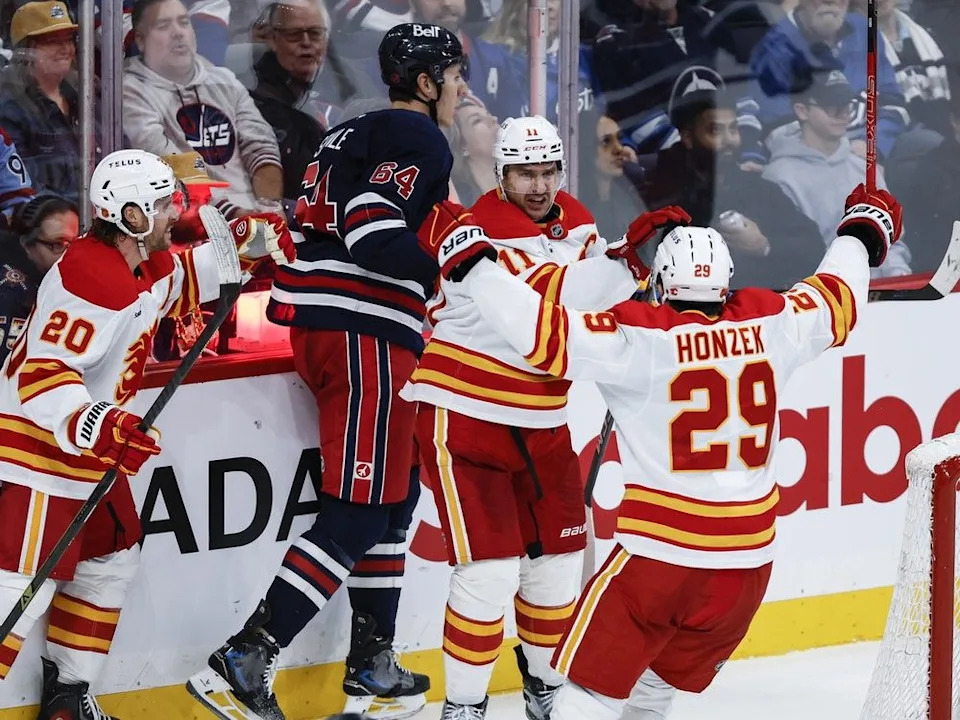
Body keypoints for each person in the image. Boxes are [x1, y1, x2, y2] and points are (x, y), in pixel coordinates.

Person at [416, 177, 902, 718]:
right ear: (727, 279)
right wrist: (861, 231)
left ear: (663, 281)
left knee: (586, 694)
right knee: (651, 687)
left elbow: (538, 332)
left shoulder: (640, 338)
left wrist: (474, 265)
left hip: (659, 560)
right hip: (746, 570)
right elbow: (838, 295)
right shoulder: (775, 324)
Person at [187, 22, 468, 720]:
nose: (462, 89)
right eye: (455, 76)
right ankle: (246, 655)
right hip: (362, 331)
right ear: (426, 83)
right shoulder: (421, 138)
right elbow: (374, 225)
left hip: (334, 326)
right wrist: (453, 275)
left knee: (396, 495)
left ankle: (373, 660)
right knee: (362, 508)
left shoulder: (349, 131)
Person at [403, 115, 683, 720]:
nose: (538, 185)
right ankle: (465, 708)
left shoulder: (575, 220)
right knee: (487, 575)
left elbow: (596, 301)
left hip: (542, 420)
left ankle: (542, 690)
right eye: (524, 172)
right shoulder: (474, 231)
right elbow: (550, 300)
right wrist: (626, 262)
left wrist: (643, 287)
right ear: (500, 174)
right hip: (464, 415)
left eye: (548, 170)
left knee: (557, 571)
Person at [0, 148, 294, 720]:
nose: (171, 214)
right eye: (160, 206)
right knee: (14, 587)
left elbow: (177, 279)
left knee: (111, 560)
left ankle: (68, 697)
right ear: (130, 215)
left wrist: (243, 249)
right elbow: (43, 374)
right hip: (39, 451)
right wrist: (99, 422)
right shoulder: (90, 278)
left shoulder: (138, 264)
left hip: (86, 453)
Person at [0, 194, 77, 365]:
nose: (69, 255)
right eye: (58, 245)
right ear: (27, 245)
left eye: (76, 244)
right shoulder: (12, 296)